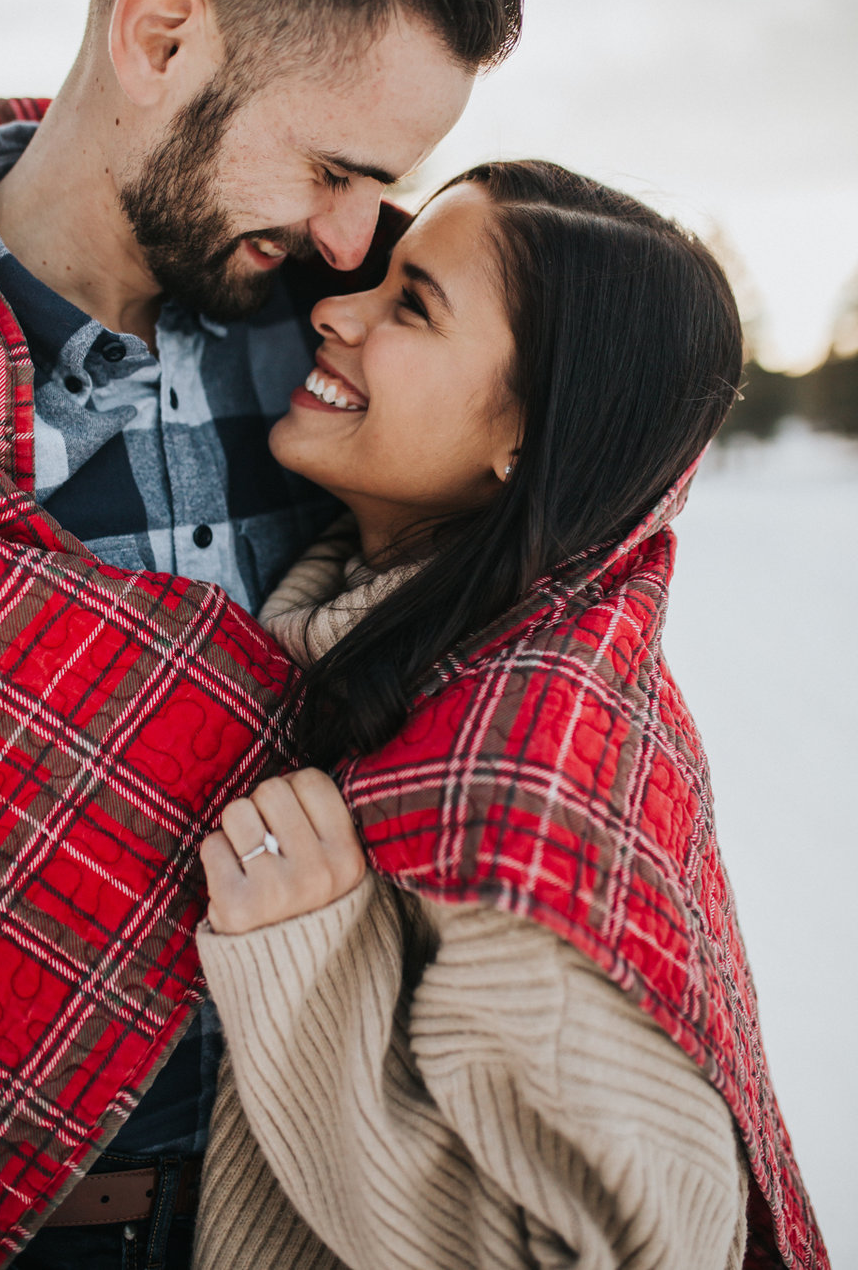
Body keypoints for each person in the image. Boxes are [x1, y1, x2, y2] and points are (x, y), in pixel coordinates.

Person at [0, 0, 521, 1266]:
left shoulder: (371, 361)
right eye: (336, 169)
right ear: (160, 38)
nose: (359, 237)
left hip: (321, 1212)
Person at [193, 163, 828, 1269]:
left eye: (411, 304)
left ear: (528, 443)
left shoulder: (523, 786)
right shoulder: (403, 645)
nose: (333, 310)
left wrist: (313, 969)